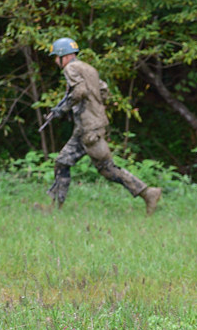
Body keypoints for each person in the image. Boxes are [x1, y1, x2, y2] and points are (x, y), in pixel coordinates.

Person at [45, 37, 161, 215]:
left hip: (89, 128)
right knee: (61, 162)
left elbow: (80, 91)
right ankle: (54, 206)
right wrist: (96, 107)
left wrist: (63, 109)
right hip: (85, 127)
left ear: (63, 55)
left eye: (55, 57)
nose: (55, 61)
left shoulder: (70, 68)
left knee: (107, 168)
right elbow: (103, 90)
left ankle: (148, 193)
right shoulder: (88, 68)